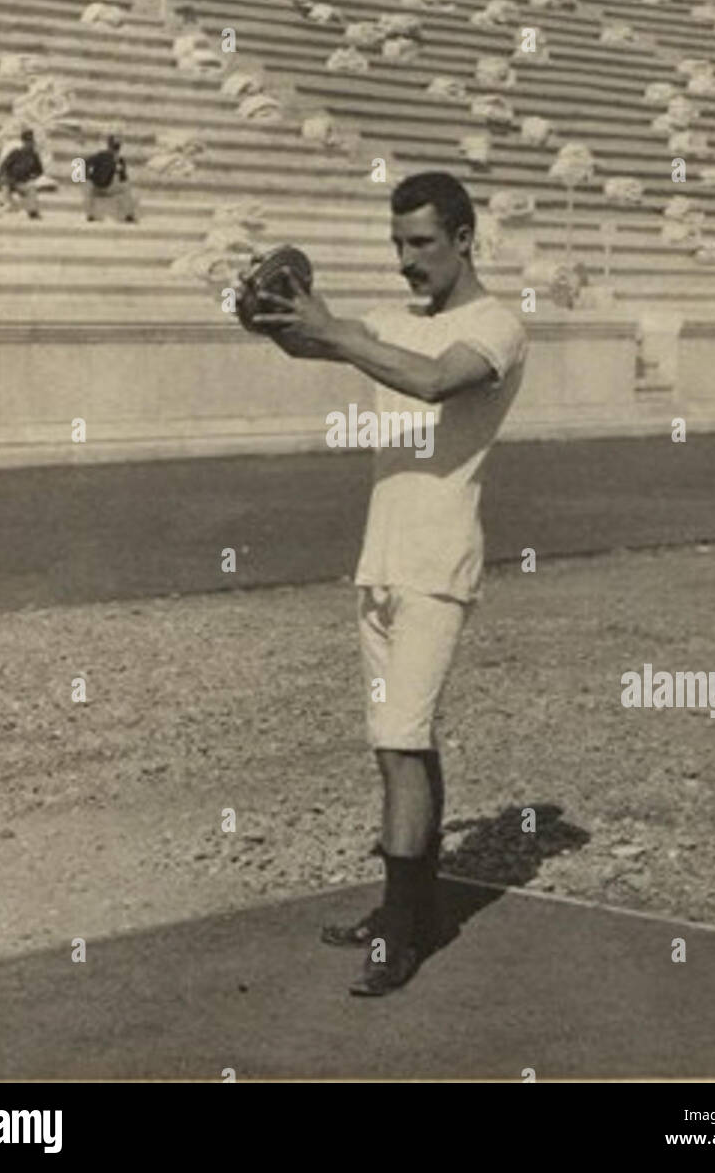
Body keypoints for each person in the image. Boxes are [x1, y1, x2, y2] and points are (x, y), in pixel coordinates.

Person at [247, 171, 527, 996]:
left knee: (403, 740)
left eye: (422, 244)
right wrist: (267, 303)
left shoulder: (497, 326)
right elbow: (308, 339)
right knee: (394, 743)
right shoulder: (393, 324)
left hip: (438, 567)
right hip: (380, 559)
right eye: (397, 244)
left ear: (466, 237)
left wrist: (331, 329)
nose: (407, 260)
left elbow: (434, 380)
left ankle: (401, 935)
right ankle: (411, 909)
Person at [83, 134, 136, 223]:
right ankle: (89, 214)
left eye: (116, 147)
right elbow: (84, 163)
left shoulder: (120, 160)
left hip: (108, 188)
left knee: (126, 187)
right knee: (88, 186)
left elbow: (123, 179)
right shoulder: (101, 156)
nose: (115, 150)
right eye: (114, 147)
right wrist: (88, 177)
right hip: (97, 187)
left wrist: (120, 169)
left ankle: (128, 214)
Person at [0, 128, 42, 219]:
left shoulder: (34, 156)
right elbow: (3, 167)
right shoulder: (16, 153)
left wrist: (32, 177)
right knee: (5, 185)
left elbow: (39, 171)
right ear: (23, 142)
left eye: (31, 142)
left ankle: (32, 212)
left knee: (31, 188)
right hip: (9, 181)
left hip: (21, 182)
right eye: (27, 142)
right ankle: (7, 206)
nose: (29, 144)